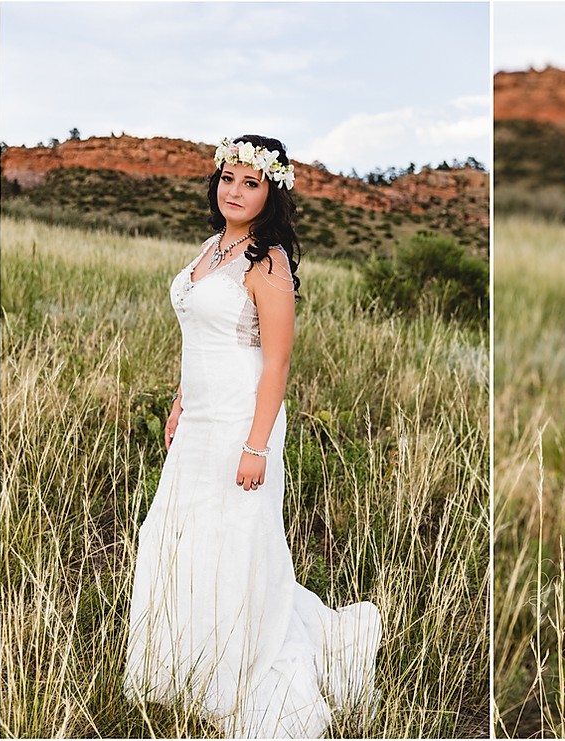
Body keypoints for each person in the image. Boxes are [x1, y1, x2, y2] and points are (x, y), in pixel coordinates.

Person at [123, 135, 382, 737]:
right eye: (228, 179)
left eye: (251, 182)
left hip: (244, 416)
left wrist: (257, 444)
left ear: (272, 193)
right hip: (201, 413)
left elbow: (277, 363)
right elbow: (198, 332)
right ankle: (181, 668)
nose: (234, 191)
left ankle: (236, 671)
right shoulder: (211, 248)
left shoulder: (267, 262)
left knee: (235, 539)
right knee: (178, 533)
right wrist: (180, 398)